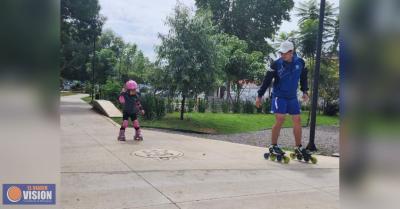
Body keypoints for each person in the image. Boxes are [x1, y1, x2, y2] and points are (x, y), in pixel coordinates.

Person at [256, 41, 311, 158]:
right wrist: (259, 96)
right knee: (280, 118)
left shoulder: (300, 62)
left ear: (292, 52)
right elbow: (266, 81)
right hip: (279, 96)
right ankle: (273, 145)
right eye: (281, 53)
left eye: (285, 53)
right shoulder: (275, 64)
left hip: (292, 97)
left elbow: (303, 77)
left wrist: (305, 91)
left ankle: (298, 147)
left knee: (297, 120)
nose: (282, 55)